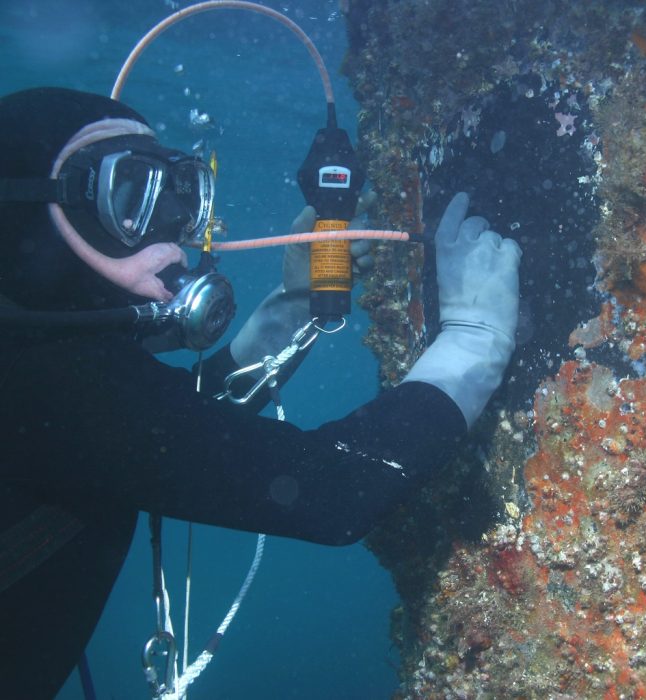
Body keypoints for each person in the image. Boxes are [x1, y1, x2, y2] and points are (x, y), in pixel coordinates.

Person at [0, 87, 521, 699]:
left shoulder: (51, 377)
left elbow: (176, 429)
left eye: (180, 199)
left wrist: (292, 307)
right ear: (26, 219)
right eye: (127, 199)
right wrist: (473, 342)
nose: (170, 242)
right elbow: (331, 490)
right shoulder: (43, 382)